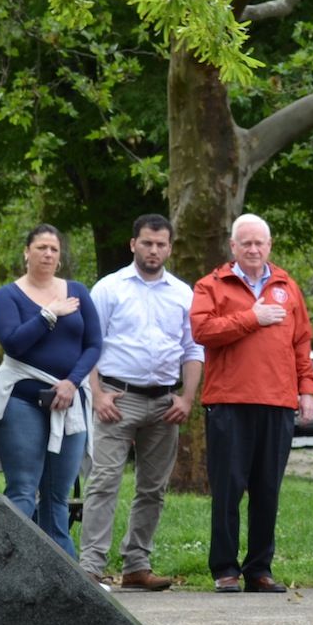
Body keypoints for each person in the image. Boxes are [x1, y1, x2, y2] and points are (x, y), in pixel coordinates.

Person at [190, 212, 313, 594]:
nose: (253, 248)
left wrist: (306, 390)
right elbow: (202, 331)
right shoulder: (211, 285)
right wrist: (252, 318)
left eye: (259, 242)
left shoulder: (287, 286)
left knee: (267, 491)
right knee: (228, 489)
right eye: (245, 242)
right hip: (229, 401)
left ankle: (259, 569)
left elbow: (302, 342)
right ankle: (225, 569)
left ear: (269, 246)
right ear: (232, 246)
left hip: (277, 402)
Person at [79, 213, 202, 591]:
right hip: (118, 397)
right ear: (134, 244)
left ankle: (136, 565)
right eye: (147, 242)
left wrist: (186, 397)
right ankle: (90, 567)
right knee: (104, 481)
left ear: (169, 247)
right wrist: (97, 393)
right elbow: (90, 345)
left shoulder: (183, 293)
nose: (154, 250)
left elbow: (193, 348)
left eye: (161, 243)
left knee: (153, 488)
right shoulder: (109, 288)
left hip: (164, 401)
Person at [0, 225, 102, 557]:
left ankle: (63, 576)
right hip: (23, 400)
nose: (48, 254)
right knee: (23, 490)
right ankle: (9, 566)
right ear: (26, 252)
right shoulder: (8, 295)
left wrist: (72, 382)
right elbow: (13, 342)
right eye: (41, 247)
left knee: (57, 495)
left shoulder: (77, 292)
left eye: (54, 249)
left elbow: (94, 344)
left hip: (69, 400)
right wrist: (48, 314)